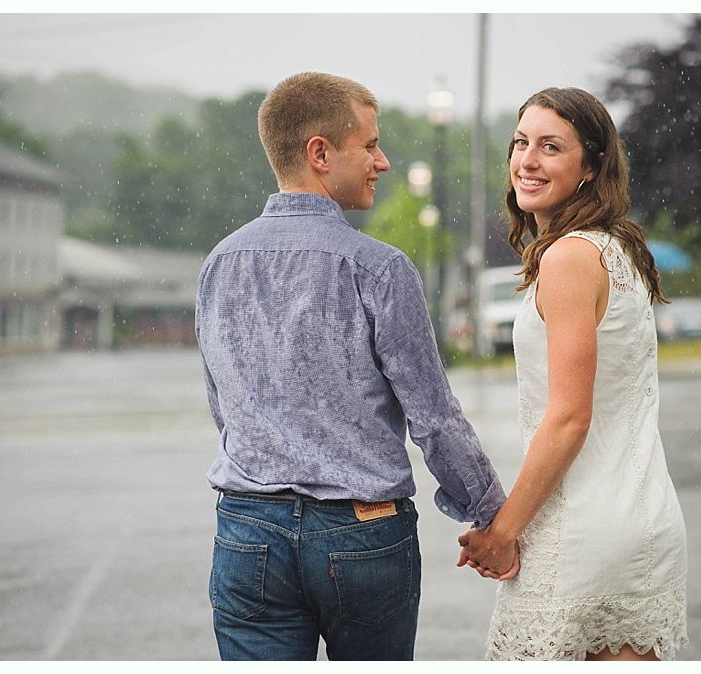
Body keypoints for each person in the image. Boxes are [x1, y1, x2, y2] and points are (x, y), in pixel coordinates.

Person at [195, 71, 515, 661]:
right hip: (361, 534)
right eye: (369, 145)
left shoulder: (220, 263)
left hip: (247, 532)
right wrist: (496, 517)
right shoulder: (379, 269)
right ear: (320, 153)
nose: (383, 161)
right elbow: (434, 418)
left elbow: (225, 406)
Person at [456, 87, 688, 661]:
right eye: (520, 143)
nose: (527, 161)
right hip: (643, 519)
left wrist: (503, 532)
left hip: (581, 532)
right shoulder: (616, 249)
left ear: (591, 167)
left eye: (551, 147)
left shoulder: (568, 258)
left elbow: (568, 419)